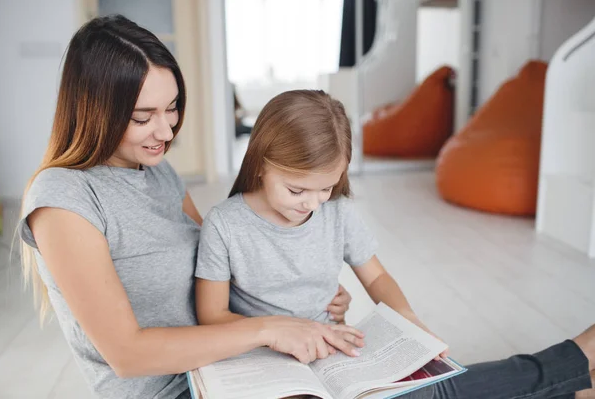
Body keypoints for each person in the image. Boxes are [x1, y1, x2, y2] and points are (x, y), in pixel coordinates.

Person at [19, 15, 363, 399]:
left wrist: (306, 295)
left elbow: (222, 271)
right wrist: (271, 328)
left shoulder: (158, 172)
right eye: (142, 117)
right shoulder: (64, 197)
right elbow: (126, 355)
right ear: (92, 110)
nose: (166, 132)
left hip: (233, 364)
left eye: (172, 108)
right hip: (172, 389)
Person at [194, 89, 595, 399]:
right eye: (297, 189)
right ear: (262, 161)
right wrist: (281, 330)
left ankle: (569, 370)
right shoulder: (225, 224)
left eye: (326, 188)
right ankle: (570, 376)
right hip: (263, 362)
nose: (312, 203)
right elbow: (211, 315)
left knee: (430, 390)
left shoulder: (336, 211)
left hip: (334, 357)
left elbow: (377, 277)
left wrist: (408, 320)